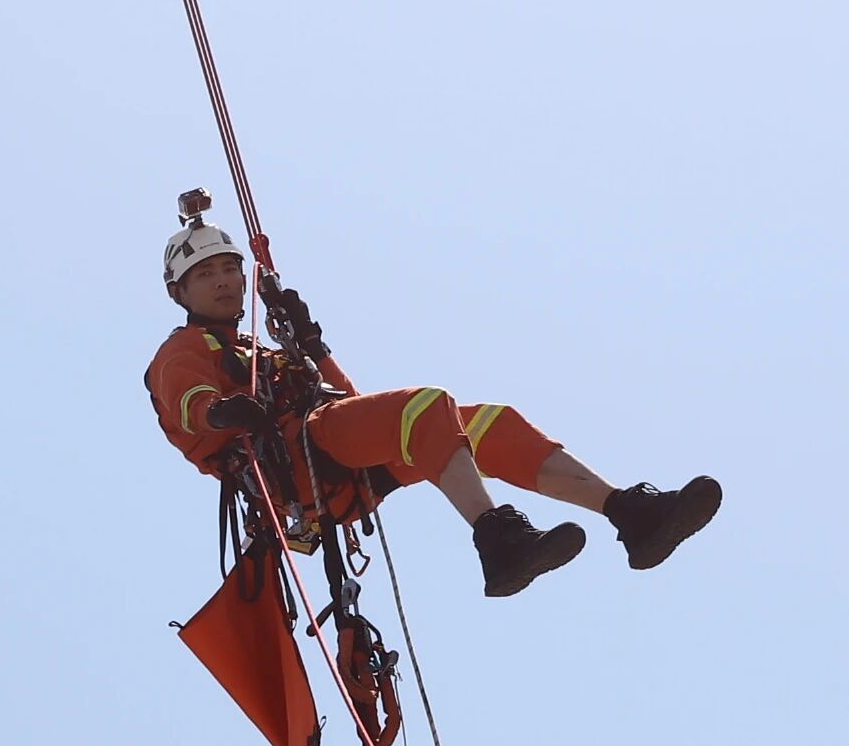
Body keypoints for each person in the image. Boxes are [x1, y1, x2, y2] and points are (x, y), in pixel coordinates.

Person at [143, 190, 718, 598]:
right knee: (426, 405)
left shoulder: (265, 354)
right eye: (205, 274)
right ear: (179, 290)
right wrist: (223, 410)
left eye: (228, 267)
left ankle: (630, 512)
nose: (222, 280)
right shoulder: (185, 350)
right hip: (295, 467)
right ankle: (500, 541)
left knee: (489, 423)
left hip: (335, 462)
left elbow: (347, 401)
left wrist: (313, 346)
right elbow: (189, 404)